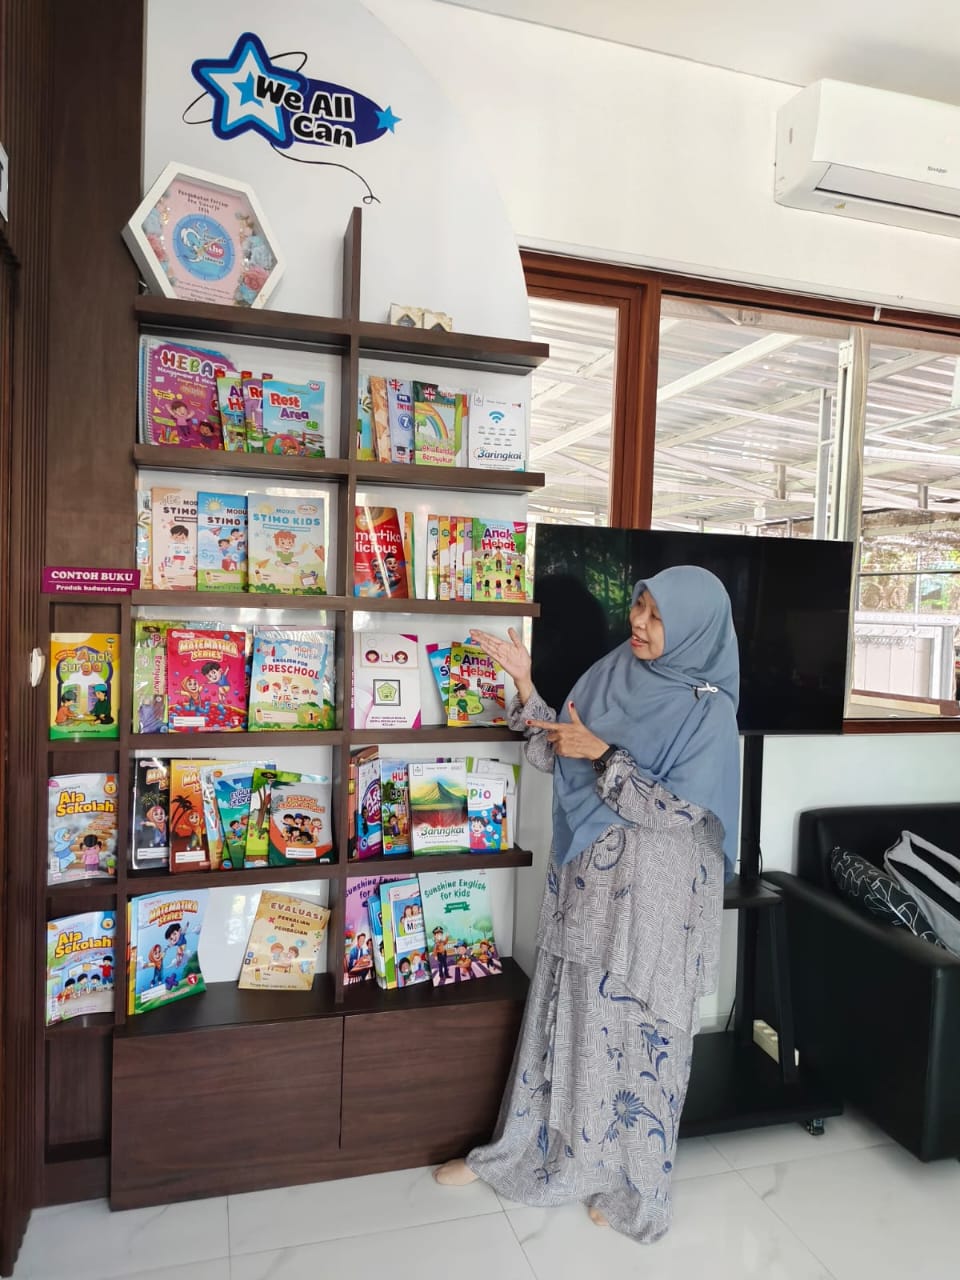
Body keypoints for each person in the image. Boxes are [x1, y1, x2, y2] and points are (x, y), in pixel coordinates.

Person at [433, 566, 740, 1245]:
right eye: (638, 606)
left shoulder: (709, 710)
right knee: (575, 1019)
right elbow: (560, 751)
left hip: (657, 898)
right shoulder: (611, 673)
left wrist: (606, 755)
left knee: (639, 1031)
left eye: (656, 616)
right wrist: (525, 686)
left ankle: (627, 1184)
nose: (638, 622)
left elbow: (676, 811)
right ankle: (547, 1158)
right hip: (590, 884)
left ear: (694, 628)